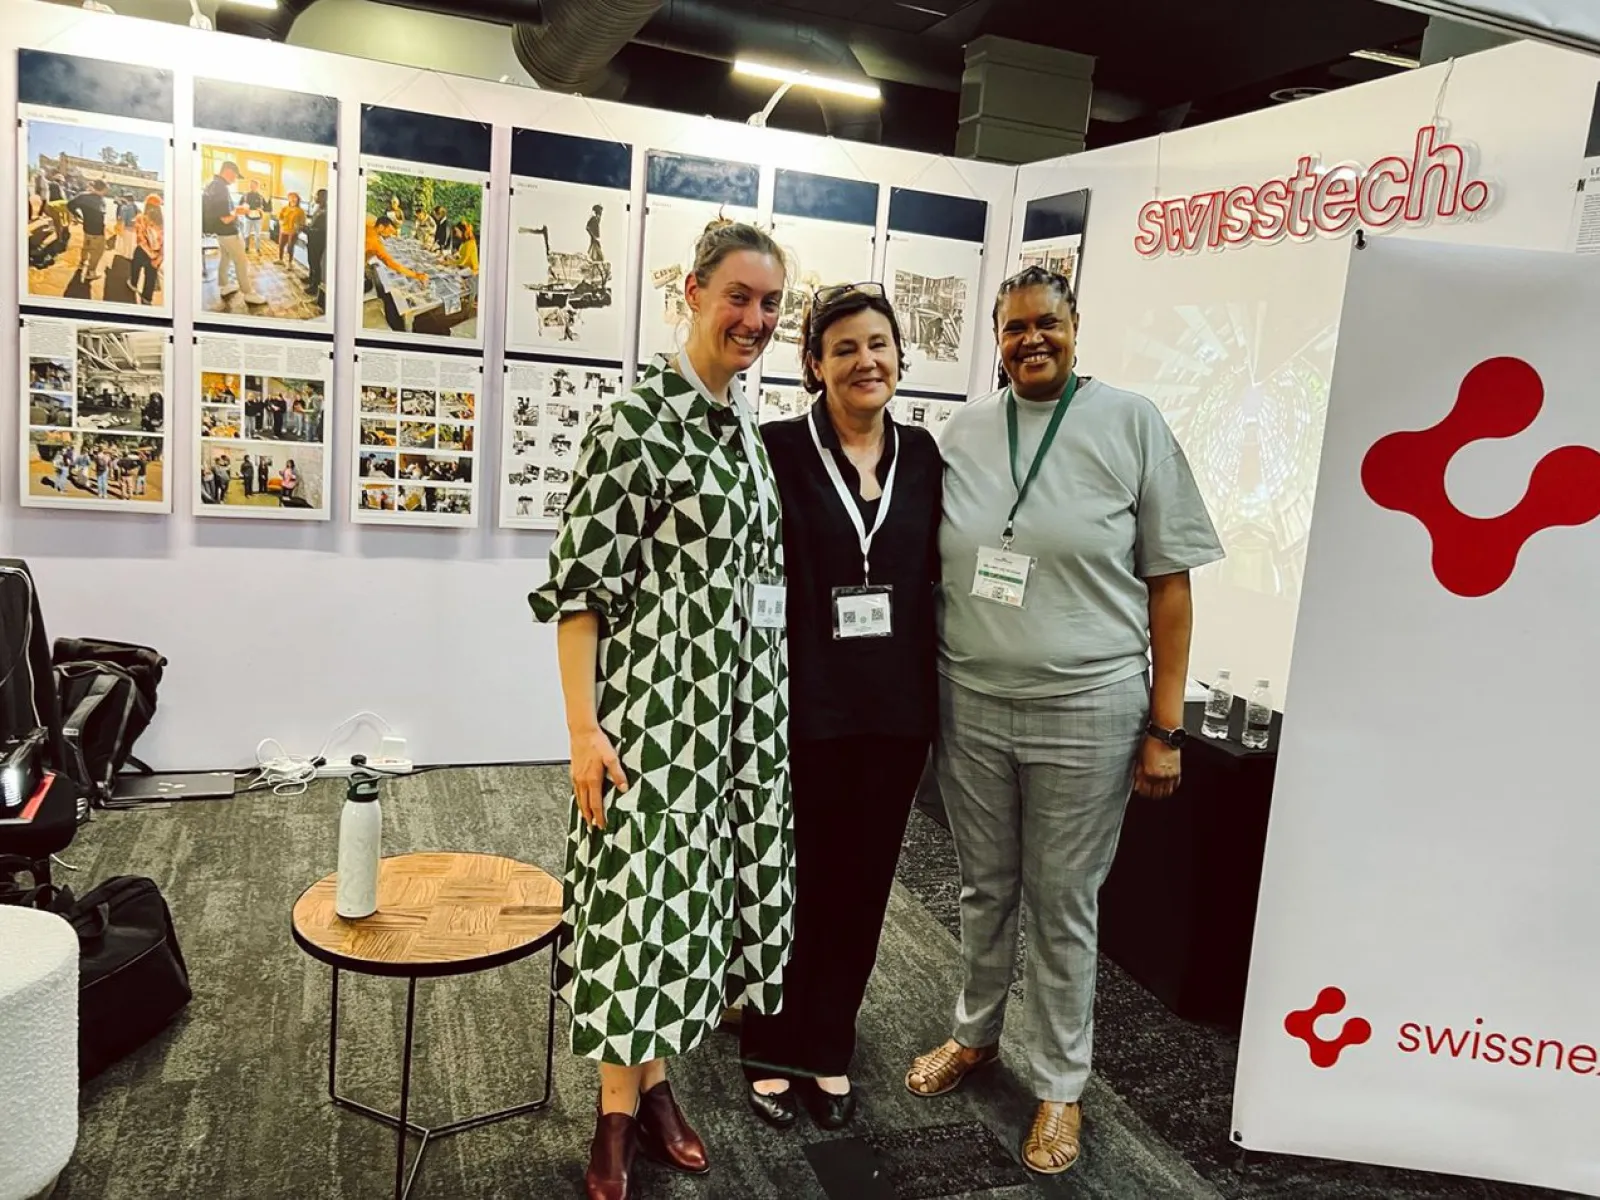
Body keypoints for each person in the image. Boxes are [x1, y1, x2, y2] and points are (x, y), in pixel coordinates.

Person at [903, 266, 1224, 1175]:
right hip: (970, 699)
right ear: (995, 338)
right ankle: (975, 1035)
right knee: (983, 885)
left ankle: (1059, 1084)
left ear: (1076, 326)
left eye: (1047, 323)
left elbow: (1171, 584)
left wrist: (1166, 727)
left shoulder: (1131, 422)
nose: (1030, 340)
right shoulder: (963, 431)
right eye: (1013, 328)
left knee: (1063, 903)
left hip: (1090, 705)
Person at [529, 220, 793, 1200]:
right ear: (691, 291)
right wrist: (582, 730)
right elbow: (579, 590)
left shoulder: (736, 425)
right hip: (648, 718)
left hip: (730, 722)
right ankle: (614, 1111)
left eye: (770, 303)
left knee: (689, 914)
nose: (755, 318)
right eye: (738, 296)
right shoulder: (636, 419)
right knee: (633, 914)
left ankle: (658, 1087)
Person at [741, 282, 942, 1131]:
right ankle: (769, 1043)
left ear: (900, 356)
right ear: (814, 364)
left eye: (881, 345)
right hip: (804, 703)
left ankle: (829, 1046)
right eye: (847, 348)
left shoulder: (926, 454)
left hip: (894, 711)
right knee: (795, 879)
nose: (867, 361)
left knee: (864, 885)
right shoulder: (776, 448)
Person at [203, 162, 265, 306]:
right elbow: (226, 218)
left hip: (220, 233)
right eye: (236, 176)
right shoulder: (221, 188)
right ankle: (248, 293)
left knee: (225, 257)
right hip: (229, 232)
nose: (235, 179)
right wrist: (241, 211)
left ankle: (224, 286)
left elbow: (222, 211)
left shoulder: (213, 185)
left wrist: (237, 209)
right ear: (229, 172)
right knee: (241, 261)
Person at [66, 179, 110, 285]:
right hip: (97, 231)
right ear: (102, 189)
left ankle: (82, 263)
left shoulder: (83, 196)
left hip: (87, 228)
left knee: (86, 246)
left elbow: (70, 205)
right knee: (98, 251)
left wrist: (78, 216)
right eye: (106, 189)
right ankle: (91, 271)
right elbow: (99, 215)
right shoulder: (98, 200)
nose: (106, 192)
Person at [364, 214, 427, 283]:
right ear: (381, 227)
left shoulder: (368, 224)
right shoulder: (376, 243)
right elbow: (392, 264)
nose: (390, 235)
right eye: (389, 231)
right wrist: (417, 275)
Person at [130, 195, 163, 307]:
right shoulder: (163, 222)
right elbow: (165, 242)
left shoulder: (141, 218)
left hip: (142, 251)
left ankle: (133, 284)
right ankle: (146, 299)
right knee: (151, 277)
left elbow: (140, 239)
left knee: (135, 267)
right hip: (157, 253)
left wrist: (149, 253)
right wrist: (157, 257)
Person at [276, 192, 305, 264]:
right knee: (281, 245)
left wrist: (298, 229)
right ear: (288, 199)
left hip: (293, 232)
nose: (292, 199)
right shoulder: (285, 208)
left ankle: (290, 263)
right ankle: (280, 260)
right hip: (284, 230)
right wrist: (281, 223)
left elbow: (302, 222)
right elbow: (280, 217)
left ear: (298, 199)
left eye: (294, 197)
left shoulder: (300, 211)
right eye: (291, 197)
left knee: (290, 248)